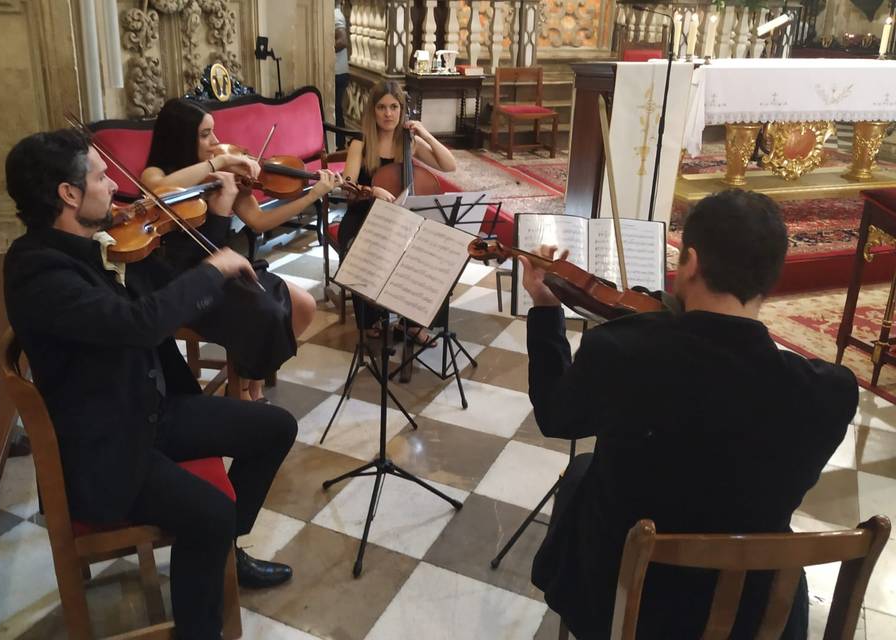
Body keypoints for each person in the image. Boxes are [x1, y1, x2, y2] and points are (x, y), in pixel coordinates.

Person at [519, 189, 858, 639]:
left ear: (692, 262)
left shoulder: (620, 351)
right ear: (770, 278)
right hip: (750, 614)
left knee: (583, 473)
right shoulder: (829, 393)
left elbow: (556, 418)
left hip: (626, 602)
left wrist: (545, 308)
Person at [3, 129, 298, 640]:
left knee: (274, 427)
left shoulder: (98, 244)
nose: (114, 189)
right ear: (68, 194)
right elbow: (139, 323)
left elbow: (169, 288)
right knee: (210, 511)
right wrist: (213, 269)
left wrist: (221, 219)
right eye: (100, 178)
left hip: (147, 408)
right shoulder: (39, 272)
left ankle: (225, 551)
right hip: (108, 445)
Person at [142, 97, 341, 400]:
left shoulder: (226, 178)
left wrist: (312, 194)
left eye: (214, 132)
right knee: (267, 314)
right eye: (205, 134)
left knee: (303, 306)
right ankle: (243, 393)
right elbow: (161, 189)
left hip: (228, 266)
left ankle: (250, 381)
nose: (217, 141)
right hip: (186, 278)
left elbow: (260, 221)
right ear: (181, 136)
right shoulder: (157, 174)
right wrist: (218, 164)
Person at [340, 80, 457, 344]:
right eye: (382, 107)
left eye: (394, 107)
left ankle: (412, 322)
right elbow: (346, 186)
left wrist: (425, 134)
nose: (388, 114)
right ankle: (371, 319)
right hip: (364, 215)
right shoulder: (360, 142)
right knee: (363, 248)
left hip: (400, 218)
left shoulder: (409, 142)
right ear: (373, 110)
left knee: (429, 251)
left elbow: (450, 166)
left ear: (402, 110)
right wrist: (372, 191)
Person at [334, 5, 350, 149]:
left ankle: (339, 145)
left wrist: (326, 49)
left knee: (336, 109)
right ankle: (339, 144)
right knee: (336, 109)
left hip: (338, 72)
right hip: (337, 71)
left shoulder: (335, 14)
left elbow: (343, 41)